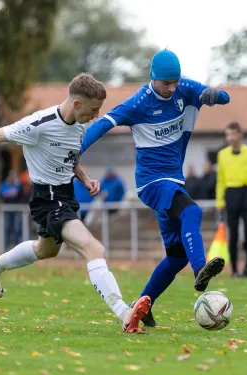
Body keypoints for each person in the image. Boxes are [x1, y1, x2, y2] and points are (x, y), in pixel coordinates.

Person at [0, 73, 150, 333]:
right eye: (93, 110)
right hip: (48, 199)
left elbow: (69, 156)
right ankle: (124, 313)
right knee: (94, 249)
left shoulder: (78, 125)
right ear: (76, 104)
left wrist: (85, 179)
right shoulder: (38, 124)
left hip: (65, 196)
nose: (95, 116)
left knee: (46, 250)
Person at [80, 49, 230, 327]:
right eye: (166, 83)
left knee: (175, 257)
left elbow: (222, 96)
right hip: (151, 182)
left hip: (173, 181)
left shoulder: (185, 88)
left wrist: (214, 95)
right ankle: (201, 269)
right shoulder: (139, 103)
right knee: (192, 212)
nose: (172, 88)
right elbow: (101, 125)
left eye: (175, 81)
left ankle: (142, 306)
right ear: (153, 79)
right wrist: (73, 150)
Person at [216, 121, 247, 278]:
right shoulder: (222, 155)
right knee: (233, 235)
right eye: (228, 134)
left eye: (233, 134)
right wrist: (220, 201)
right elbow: (220, 179)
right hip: (231, 194)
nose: (230, 137)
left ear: (240, 135)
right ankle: (234, 269)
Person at [0, 170, 23, 249]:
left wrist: (10, 193)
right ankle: (6, 245)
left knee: (17, 228)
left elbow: (19, 194)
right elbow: (1, 194)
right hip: (7, 209)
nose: (12, 178)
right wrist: (10, 193)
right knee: (7, 227)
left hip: (17, 209)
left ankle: (17, 246)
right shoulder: (5, 184)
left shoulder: (19, 184)